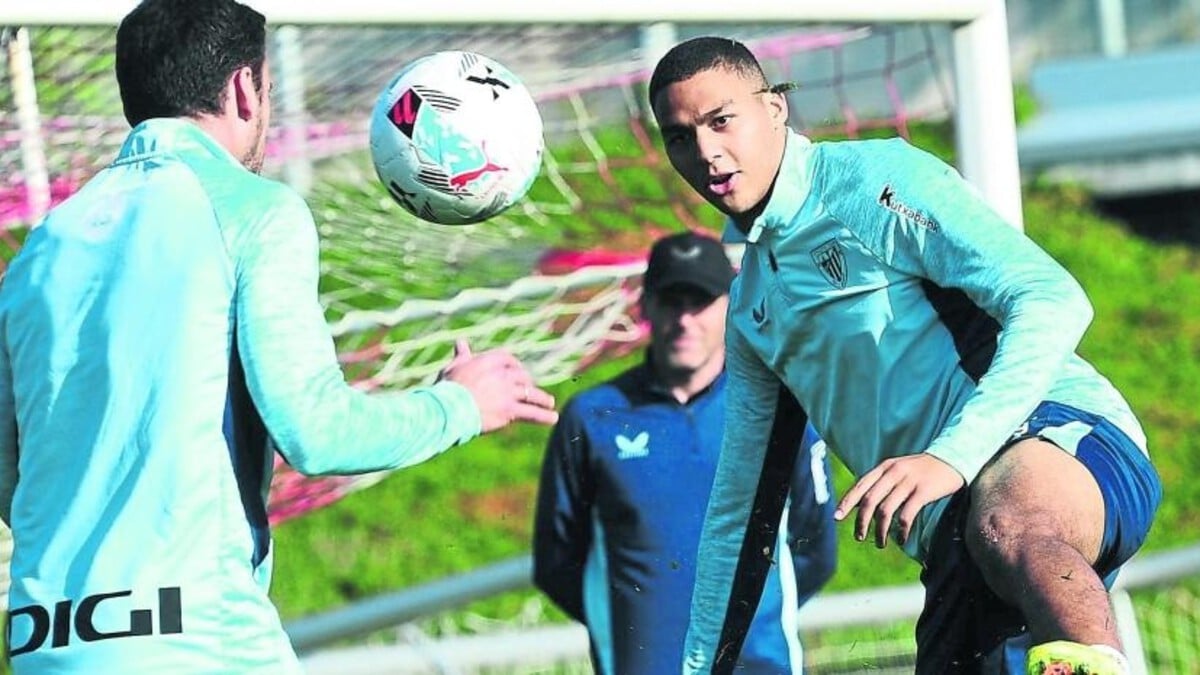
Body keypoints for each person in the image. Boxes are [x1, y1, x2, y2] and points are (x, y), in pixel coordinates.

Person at [0, 1, 558, 672]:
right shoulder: (252, 212)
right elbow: (317, 432)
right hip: (199, 640)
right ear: (245, 87)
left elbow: (14, 481)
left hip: (47, 646)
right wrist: (461, 404)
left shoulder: (41, 248)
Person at [647, 37, 1162, 675]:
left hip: (1057, 436)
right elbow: (740, 512)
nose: (706, 153)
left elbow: (1053, 298)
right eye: (679, 137)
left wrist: (949, 457)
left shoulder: (872, 182)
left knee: (1009, 522)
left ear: (776, 109)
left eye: (721, 121)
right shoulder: (753, 310)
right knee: (987, 542)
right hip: (957, 540)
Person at [533, 231, 837, 675]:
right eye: (671, 300)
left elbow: (815, 550)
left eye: (701, 302)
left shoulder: (781, 407)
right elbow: (558, 563)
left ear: (730, 305)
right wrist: (634, 626)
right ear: (644, 307)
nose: (685, 319)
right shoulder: (592, 418)